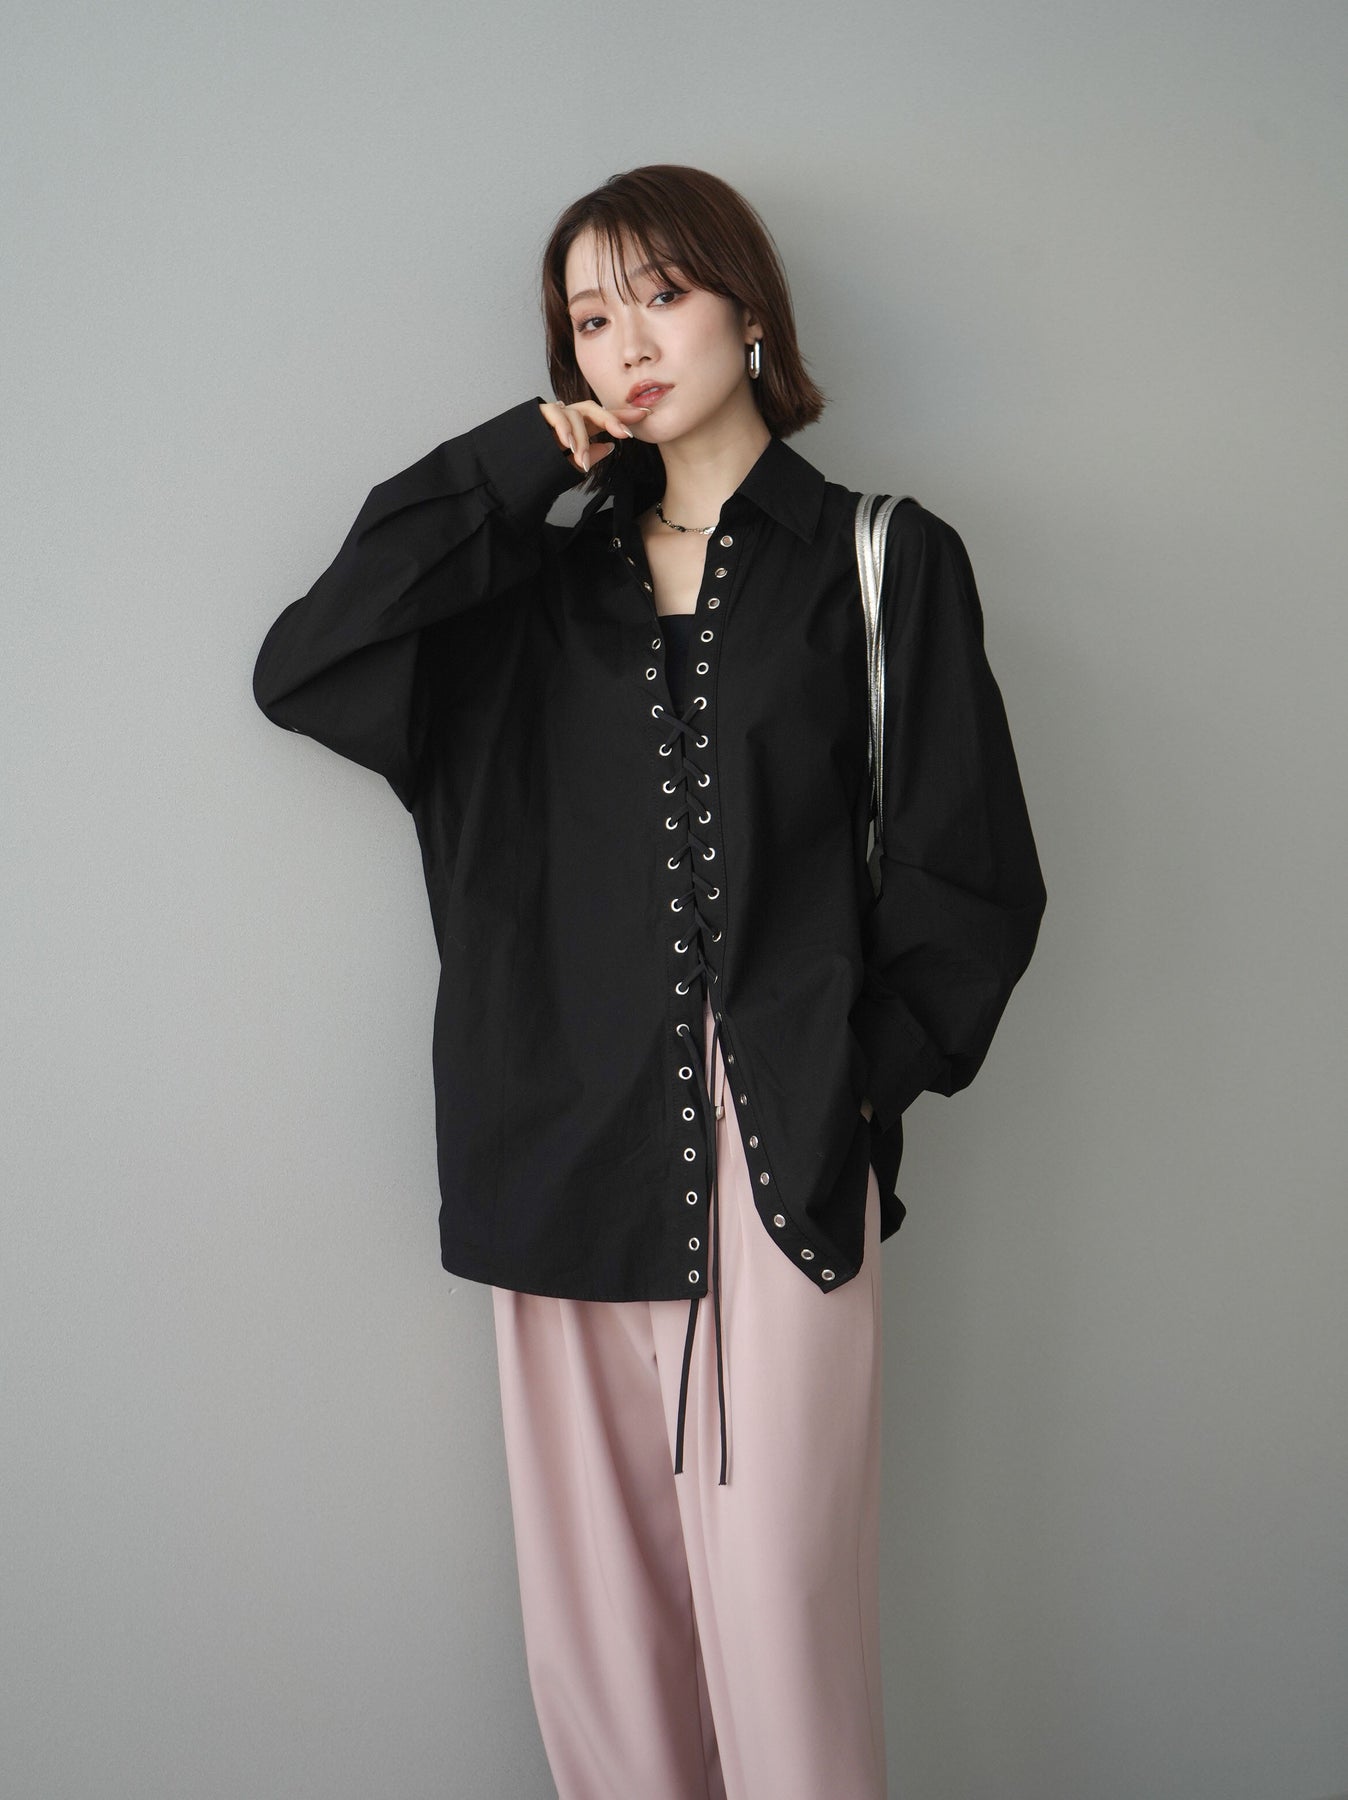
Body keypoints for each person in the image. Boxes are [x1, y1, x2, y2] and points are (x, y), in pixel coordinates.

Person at [252, 162, 1046, 1800]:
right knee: (602, 1660)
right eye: (589, 318)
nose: (626, 342)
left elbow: (969, 882)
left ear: (750, 309)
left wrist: (846, 1082)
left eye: (661, 296)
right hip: (559, 1155)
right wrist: (505, 467)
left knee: (783, 1641)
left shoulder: (881, 561)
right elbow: (308, 667)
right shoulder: (523, 599)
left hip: (786, 1166)